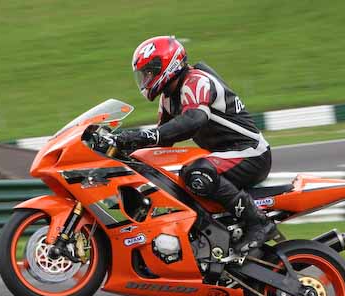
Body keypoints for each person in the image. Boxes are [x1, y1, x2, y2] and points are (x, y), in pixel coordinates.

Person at [115, 36, 276, 252]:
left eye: (149, 72)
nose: (146, 78)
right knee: (174, 176)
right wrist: (121, 147)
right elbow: (164, 139)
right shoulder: (168, 98)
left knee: (196, 172)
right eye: (144, 74)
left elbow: (193, 120)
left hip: (250, 153)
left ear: (167, 65)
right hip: (226, 154)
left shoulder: (196, 81)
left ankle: (259, 222)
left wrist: (143, 136)